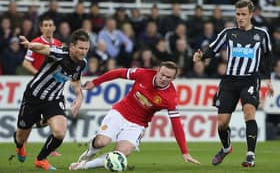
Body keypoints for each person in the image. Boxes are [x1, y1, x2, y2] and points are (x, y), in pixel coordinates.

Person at [68, 61, 200, 170]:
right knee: (102, 142)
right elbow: (119, 73)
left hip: (137, 124)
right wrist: (96, 82)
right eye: (162, 74)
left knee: (121, 154)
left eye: (168, 77)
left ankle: (82, 166)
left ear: (173, 79)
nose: (164, 78)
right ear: (158, 70)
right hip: (120, 113)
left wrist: (184, 151)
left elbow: (176, 124)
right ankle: (89, 153)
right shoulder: (143, 74)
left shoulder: (170, 97)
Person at [193, 0, 274, 167]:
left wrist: (268, 79)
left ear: (251, 14)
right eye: (238, 14)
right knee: (222, 122)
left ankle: (250, 154)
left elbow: (267, 56)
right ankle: (226, 148)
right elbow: (212, 49)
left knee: (249, 112)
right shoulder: (228, 33)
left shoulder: (261, 34)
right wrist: (201, 55)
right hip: (229, 81)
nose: (240, 18)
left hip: (250, 79)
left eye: (244, 14)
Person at [14, 29, 89, 170]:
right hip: (33, 96)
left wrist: (79, 96)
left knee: (60, 133)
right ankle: (20, 146)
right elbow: (43, 48)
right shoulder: (60, 53)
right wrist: (30, 45)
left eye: (86, 48)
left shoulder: (82, 63)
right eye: (80, 48)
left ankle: (40, 159)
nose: (83, 51)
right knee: (20, 136)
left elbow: (75, 82)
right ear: (72, 46)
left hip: (54, 99)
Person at [22, 16, 62, 157]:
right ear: (41, 28)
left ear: (54, 27)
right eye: (45, 25)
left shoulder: (58, 43)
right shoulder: (35, 43)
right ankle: (23, 142)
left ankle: (50, 148)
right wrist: (38, 75)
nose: (48, 27)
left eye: (51, 24)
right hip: (37, 88)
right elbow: (26, 63)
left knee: (53, 116)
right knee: (32, 118)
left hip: (53, 87)